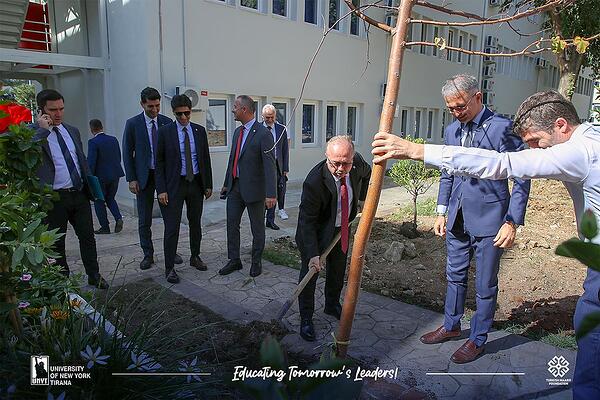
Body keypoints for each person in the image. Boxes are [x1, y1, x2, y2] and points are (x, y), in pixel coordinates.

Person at [372, 90, 599, 399]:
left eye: (534, 142)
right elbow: (454, 177)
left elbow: (501, 165)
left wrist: (415, 150)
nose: (533, 150)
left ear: (561, 125)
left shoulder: (579, 151)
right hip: (461, 219)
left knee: (589, 334)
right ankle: (452, 325)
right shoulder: (592, 137)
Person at [399, 75, 532, 364]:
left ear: (478, 97)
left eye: (460, 106)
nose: (457, 113)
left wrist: (512, 221)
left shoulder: (503, 129)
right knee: (454, 276)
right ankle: (451, 325)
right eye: (451, 109)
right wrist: (441, 210)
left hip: (491, 221)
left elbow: (522, 175)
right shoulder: (451, 131)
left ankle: (478, 339)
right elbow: (448, 172)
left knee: (485, 284)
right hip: (457, 218)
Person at [296, 135, 371, 341]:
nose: (340, 168)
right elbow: (307, 222)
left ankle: (331, 304)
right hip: (317, 233)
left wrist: (362, 198)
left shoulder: (357, 164)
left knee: (337, 269)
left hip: (342, 230)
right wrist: (312, 254)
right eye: (335, 163)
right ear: (327, 158)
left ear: (352, 158)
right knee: (309, 276)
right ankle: (306, 318)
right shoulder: (314, 181)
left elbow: (367, 174)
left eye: (345, 163)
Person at [33, 89, 108, 289]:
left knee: (88, 238)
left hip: (79, 194)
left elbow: (80, 159)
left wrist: (89, 184)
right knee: (57, 244)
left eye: (61, 109)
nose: (58, 113)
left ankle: (94, 275)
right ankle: (63, 283)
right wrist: (42, 130)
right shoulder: (34, 133)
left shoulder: (71, 130)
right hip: (54, 199)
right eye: (53, 109)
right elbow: (27, 153)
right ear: (42, 110)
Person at [122, 87, 183, 270]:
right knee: (144, 218)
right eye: (150, 106)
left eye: (157, 106)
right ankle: (148, 254)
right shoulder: (133, 124)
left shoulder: (167, 122)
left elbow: (174, 152)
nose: (155, 110)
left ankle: (171, 251)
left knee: (170, 217)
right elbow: (127, 152)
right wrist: (131, 178)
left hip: (164, 176)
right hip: (144, 177)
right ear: (142, 104)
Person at [156, 94, 213, 284]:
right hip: (175, 185)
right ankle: (169, 267)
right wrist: (161, 189)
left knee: (195, 223)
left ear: (191, 111)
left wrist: (208, 184)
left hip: (195, 184)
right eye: (179, 114)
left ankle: (195, 256)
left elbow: (204, 158)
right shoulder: (165, 132)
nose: (183, 118)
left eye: (186, 113)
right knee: (172, 227)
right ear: (173, 112)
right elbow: (159, 163)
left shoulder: (199, 131)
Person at [219, 95, 277, 278]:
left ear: (244, 109)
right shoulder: (238, 132)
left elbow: (270, 166)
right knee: (232, 225)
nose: (233, 110)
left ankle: (256, 261)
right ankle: (234, 260)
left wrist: (271, 194)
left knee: (257, 228)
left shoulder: (263, 134)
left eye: (235, 107)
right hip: (235, 188)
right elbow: (233, 160)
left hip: (255, 191)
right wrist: (226, 183)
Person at [87, 118, 125, 234]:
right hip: (115, 174)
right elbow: (118, 156)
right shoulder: (113, 139)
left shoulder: (93, 142)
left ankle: (105, 226)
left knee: (99, 201)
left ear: (92, 129)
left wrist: (89, 176)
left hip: (100, 177)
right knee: (111, 198)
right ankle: (118, 217)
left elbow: (91, 161)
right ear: (102, 127)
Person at [262, 104, 290, 229]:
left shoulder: (281, 129)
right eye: (267, 117)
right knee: (263, 193)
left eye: (272, 117)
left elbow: (285, 150)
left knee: (275, 193)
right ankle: (260, 218)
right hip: (262, 167)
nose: (270, 120)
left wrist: (285, 168)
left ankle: (270, 220)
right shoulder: (257, 129)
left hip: (277, 166)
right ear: (262, 116)